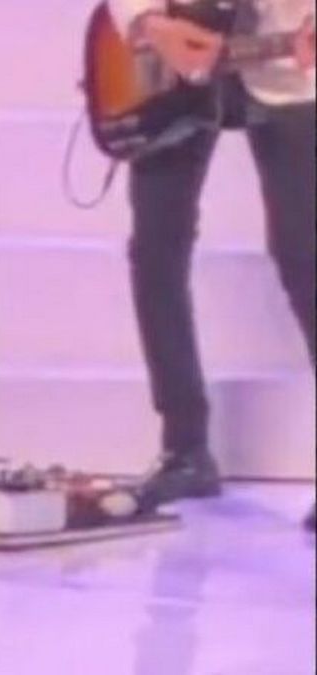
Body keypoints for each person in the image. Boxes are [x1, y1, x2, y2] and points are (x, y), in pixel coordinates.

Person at [107, 0, 315, 527]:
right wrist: (146, 19)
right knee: (156, 250)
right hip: (173, 58)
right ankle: (184, 449)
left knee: (304, 252)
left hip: (290, 62)